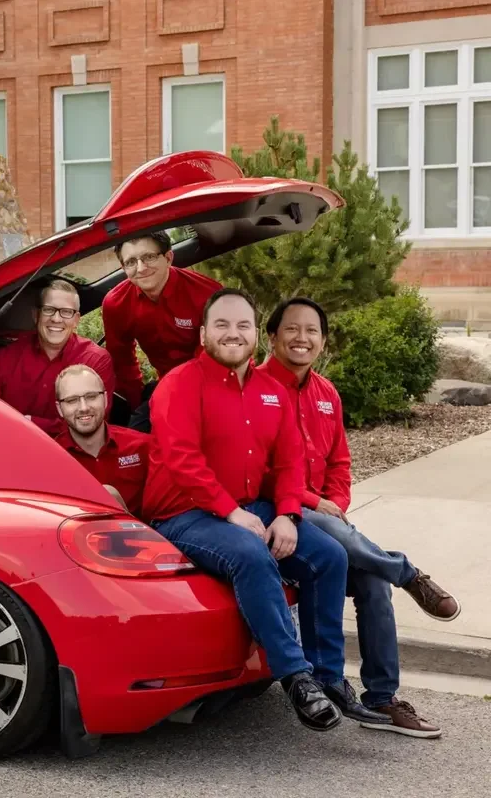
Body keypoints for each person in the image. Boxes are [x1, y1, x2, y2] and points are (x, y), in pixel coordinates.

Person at [142, 288, 387, 732]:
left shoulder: (271, 391)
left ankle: (328, 677)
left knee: (330, 555)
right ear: (203, 334)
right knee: (251, 553)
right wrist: (232, 513)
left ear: (255, 335)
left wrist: (288, 514)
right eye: (222, 325)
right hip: (184, 514)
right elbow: (182, 459)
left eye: (242, 325)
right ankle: (294, 676)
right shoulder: (178, 385)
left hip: (254, 506)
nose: (232, 333)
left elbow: (290, 462)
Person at [259, 296, 460, 737]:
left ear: (323, 341)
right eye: (291, 329)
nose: (302, 338)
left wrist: (335, 502)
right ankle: (406, 572)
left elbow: (340, 463)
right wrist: (315, 502)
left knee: (371, 582)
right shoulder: (255, 390)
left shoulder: (327, 393)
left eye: (312, 330)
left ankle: (383, 698)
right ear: (270, 336)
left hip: (329, 520)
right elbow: (260, 469)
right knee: (340, 535)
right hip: (280, 517)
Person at [101, 230, 222, 431]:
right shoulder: (116, 304)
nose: (140, 268)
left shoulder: (206, 294)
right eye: (131, 262)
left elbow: (214, 356)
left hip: (211, 383)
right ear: (123, 267)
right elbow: (122, 362)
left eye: (148, 257)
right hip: (164, 386)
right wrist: (134, 405)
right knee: (135, 435)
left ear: (168, 257)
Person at [0, 278, 115, 434]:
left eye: (66, 312)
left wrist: (30, 423)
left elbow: (94, 422)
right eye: (49, 309)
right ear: (36, 315)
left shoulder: (95, 360)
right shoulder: (2, 360)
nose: (56, 319)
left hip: (72, 453)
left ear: (76, 320)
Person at [52, 365, 149, 516]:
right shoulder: (51, 459)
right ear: (59, 408)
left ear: (105, 399)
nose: (84, 408)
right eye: (72, 400)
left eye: (91, 396)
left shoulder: (143, 447)